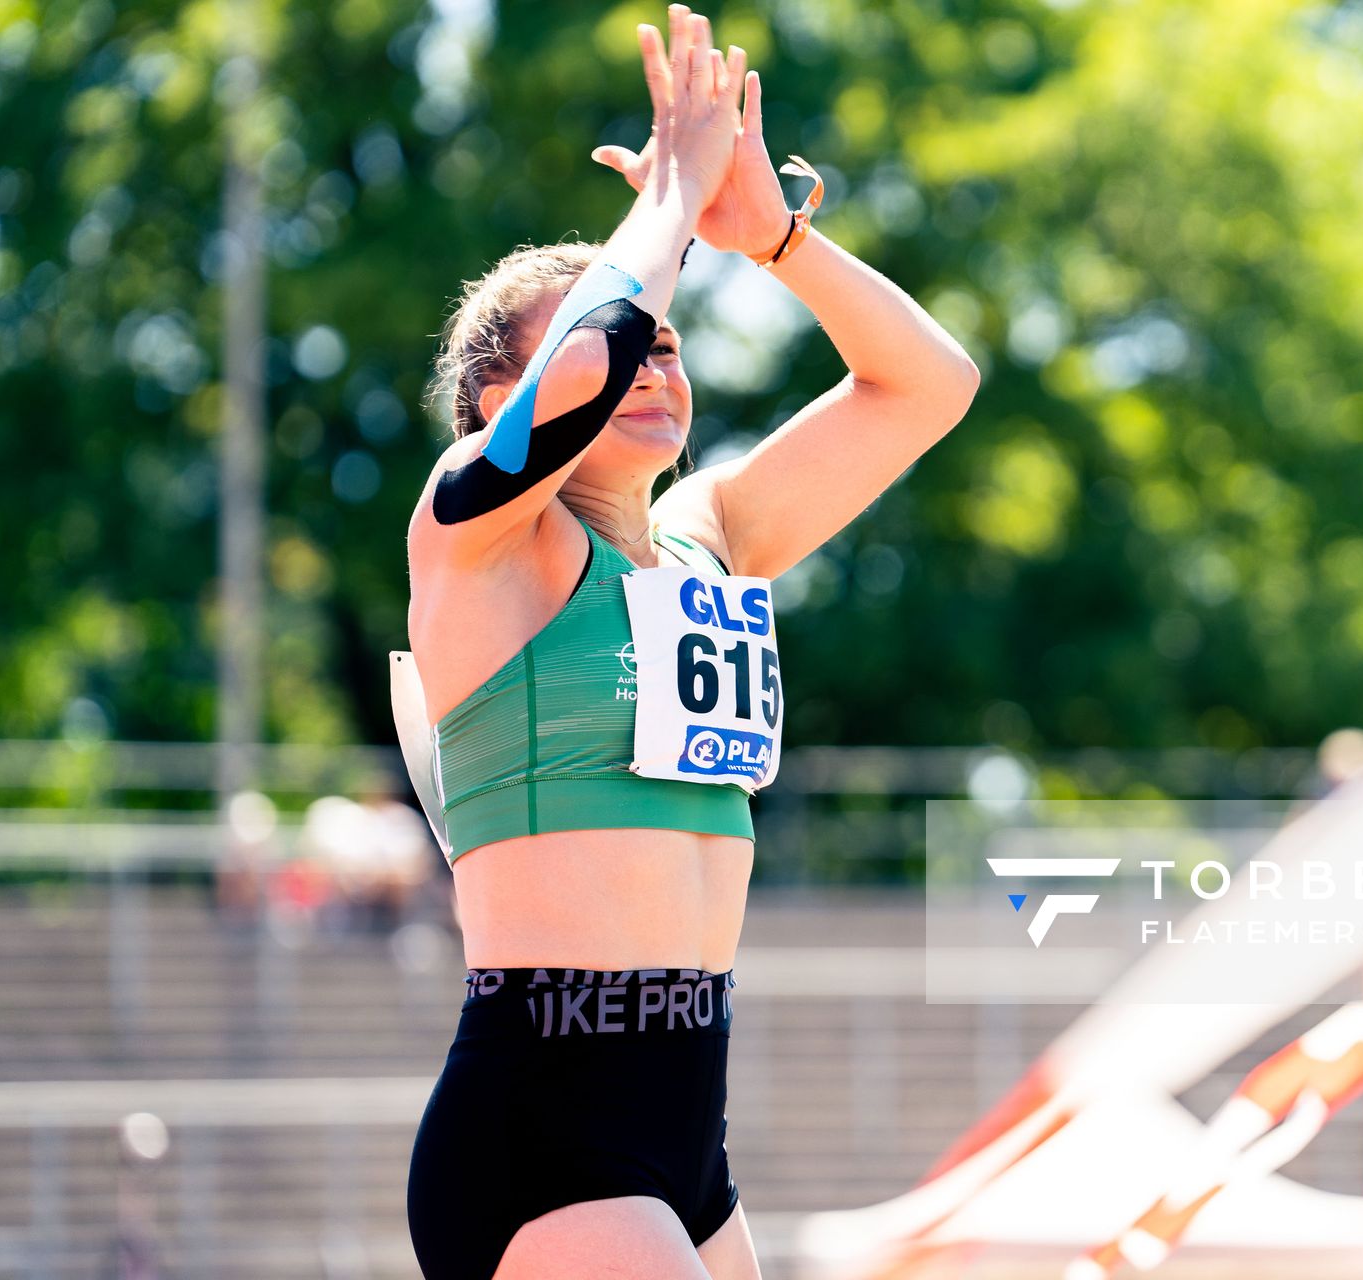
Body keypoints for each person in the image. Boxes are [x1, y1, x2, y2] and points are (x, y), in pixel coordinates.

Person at [400, 8, 979, 1279]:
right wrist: (670, 190)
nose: (654, 360)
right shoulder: (477, 536)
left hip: (685, 1125)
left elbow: (930, 385)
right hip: (541, 1124)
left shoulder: (710, 535)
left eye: (673, 345)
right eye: (631, 344)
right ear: (503, 401)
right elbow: (596, 341)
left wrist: (771, 235)